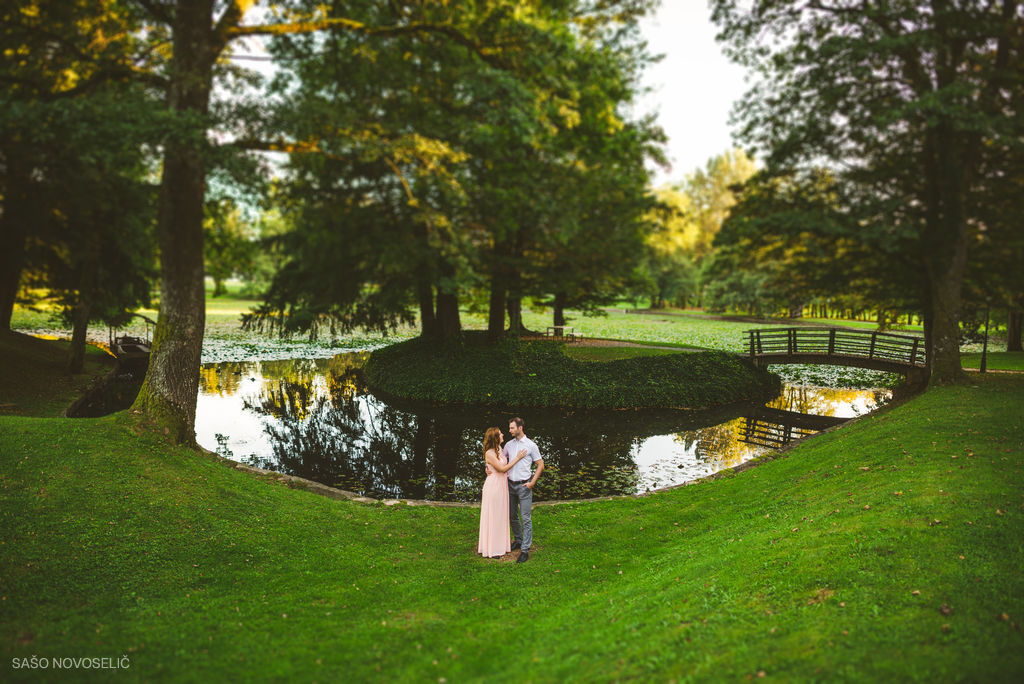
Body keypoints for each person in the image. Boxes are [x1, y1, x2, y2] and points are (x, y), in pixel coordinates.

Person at [478, 427, 528, 559]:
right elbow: (501, 469)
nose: (502, 434)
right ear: (495, 437)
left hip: (502, 486)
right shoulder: (490, 453)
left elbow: (496, 465)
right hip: (494, 487)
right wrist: (517, 458)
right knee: (494, 516)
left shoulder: (499, 449)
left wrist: (487, 468)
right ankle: (492, 549)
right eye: (500, 434)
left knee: (501, 516)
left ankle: (500, 545)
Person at [503, 416, 544, 563]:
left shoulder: (531, 445)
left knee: (525, 518)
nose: (510, 430)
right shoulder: (508, 445)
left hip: (524, 486)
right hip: (509, 485)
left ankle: (525, 550)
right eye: (509, 428)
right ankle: (518, 540)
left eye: (512, 428)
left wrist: (532, 482)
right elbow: (500, 460)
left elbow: (540, 464)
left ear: (520, 428)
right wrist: (488, 467)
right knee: (512, 516)